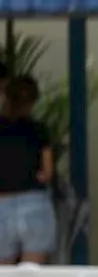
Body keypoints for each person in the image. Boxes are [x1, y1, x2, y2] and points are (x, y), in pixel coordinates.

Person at [0, 74, 57, 265]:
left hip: (2, 204)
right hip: (34, 205)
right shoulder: (39, 129)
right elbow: (47, 172)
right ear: (32, 102)